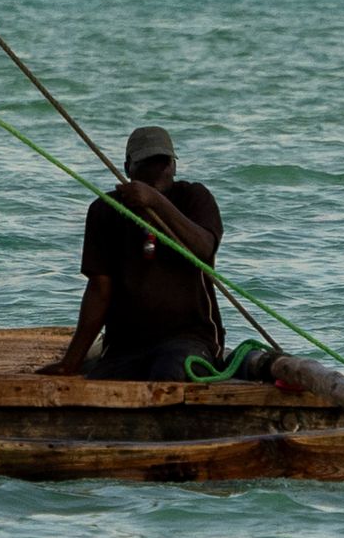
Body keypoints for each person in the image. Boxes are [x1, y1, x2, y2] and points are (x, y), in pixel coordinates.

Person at [62, 124, 235, 381]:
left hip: (189, 338)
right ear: (128, 167)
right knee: (100, 385)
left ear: (174, 166)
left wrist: (156, 202)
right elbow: (99, 290)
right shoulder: (104, 210)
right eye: (146, 163)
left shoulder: (194, 198)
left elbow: (204, 249)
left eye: (163, 163)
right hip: (125, 344)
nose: (157, 171)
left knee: (169, 373)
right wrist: (70, 362)